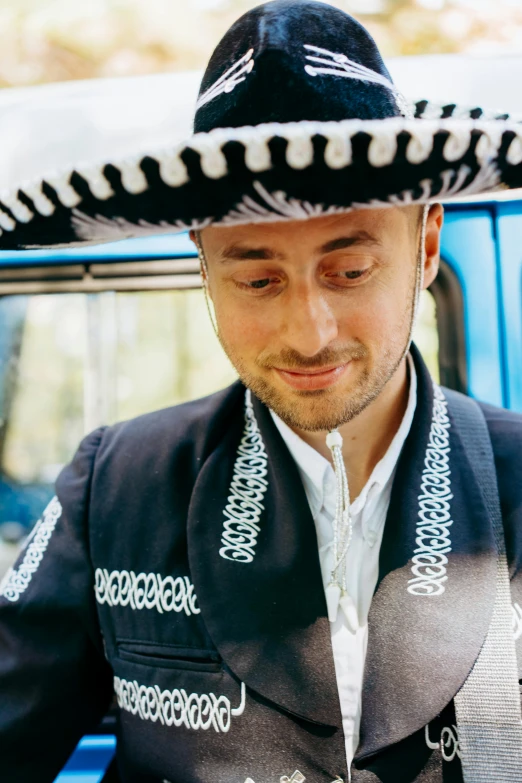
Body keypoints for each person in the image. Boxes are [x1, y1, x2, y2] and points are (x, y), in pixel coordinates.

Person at [2, 1, 522, 782]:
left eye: (350, 270)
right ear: (203, 264)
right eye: (257, 278)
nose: (309, 331)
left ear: (426, 242)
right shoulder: (116, 492)